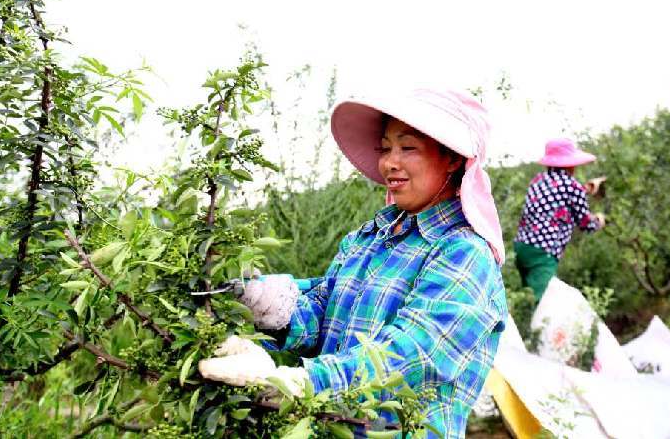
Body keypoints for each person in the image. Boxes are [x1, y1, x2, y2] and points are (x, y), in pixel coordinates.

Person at [199, 88, 507, 438]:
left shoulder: (464, 253)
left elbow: (414, 355)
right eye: (386, 148)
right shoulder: (370, 237)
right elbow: (326, 312)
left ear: (452, 158)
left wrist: (303, 381)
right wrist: (270, 306)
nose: (391, 162)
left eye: (408, 148)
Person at [513, 138, 605, 305]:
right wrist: (599, 220)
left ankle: (523, 327)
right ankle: (532, 332)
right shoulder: (572, 186)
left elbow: (557, 196)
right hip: (543, 252)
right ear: (571, 164)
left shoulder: (538, 180)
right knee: (542, 305)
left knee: (528, 298)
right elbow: (586, 224)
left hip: (523, 248)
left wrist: (586, 189)